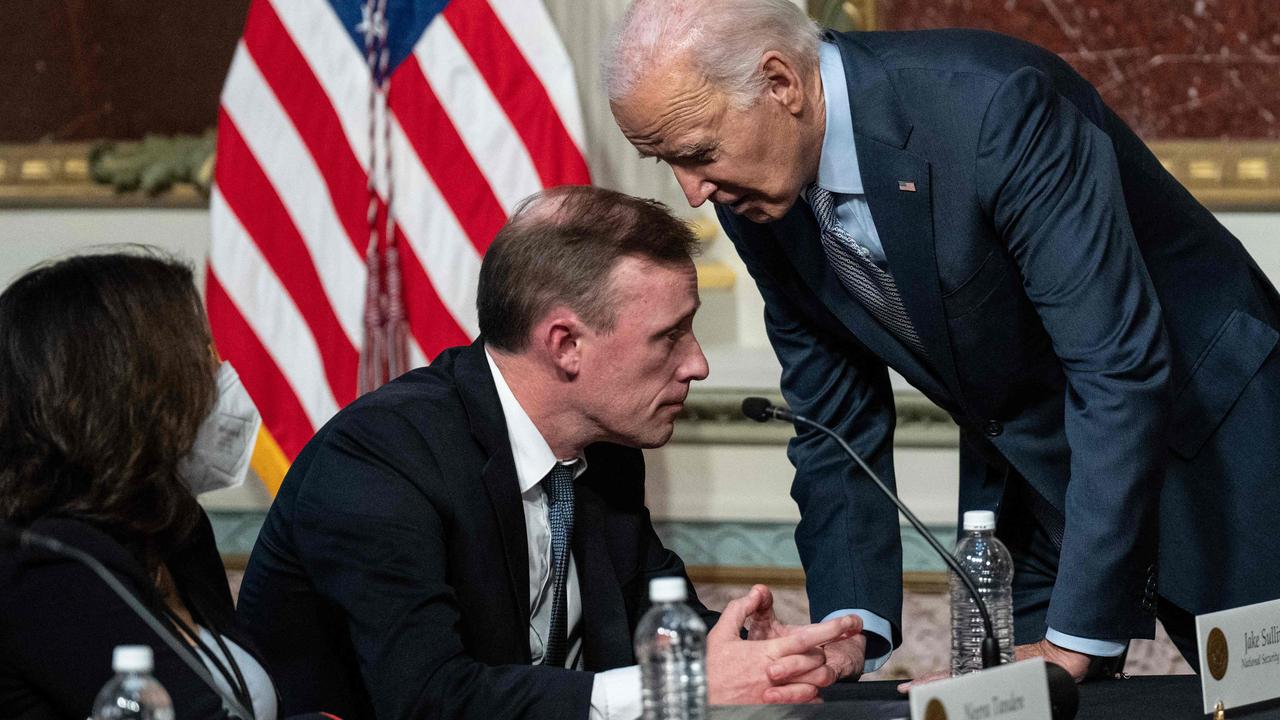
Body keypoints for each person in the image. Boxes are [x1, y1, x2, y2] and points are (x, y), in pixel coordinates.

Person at [605, 0, 1280, 680]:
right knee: (1004, 700)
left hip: (1218, 439)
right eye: (665, 162)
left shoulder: (992, 109)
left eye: (695, 152)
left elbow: (1116, 367)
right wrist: (852, 629)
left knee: (1258, 692)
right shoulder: (756, 195)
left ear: (781, 84)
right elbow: (832, 416)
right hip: (1032, 473)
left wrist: (1072, 644)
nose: (692, 192)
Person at [237, 185, 861, 719]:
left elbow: (656, 621)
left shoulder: (605, 448)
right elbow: (428, 699)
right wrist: (682, 687)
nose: (696, 364)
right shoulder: (380, 461)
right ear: (565, 345)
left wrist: (768, 654)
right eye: (668, 337)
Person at [0, 250, 275, 719]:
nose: (220, 375)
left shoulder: (176, 531)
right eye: (199, 356)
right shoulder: (47, 564)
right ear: (133, 392)